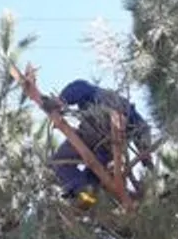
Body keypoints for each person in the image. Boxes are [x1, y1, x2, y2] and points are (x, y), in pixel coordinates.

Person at [42, 80, 154, 208]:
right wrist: (145, 154)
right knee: (95, 173)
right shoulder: (127, 107)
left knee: (59, 162)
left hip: (93, 132)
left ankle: (84, 193)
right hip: (111, 146)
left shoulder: (96, 92)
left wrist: (61, 101)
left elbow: (79, 87)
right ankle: (88, 196)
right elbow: (142, 127)